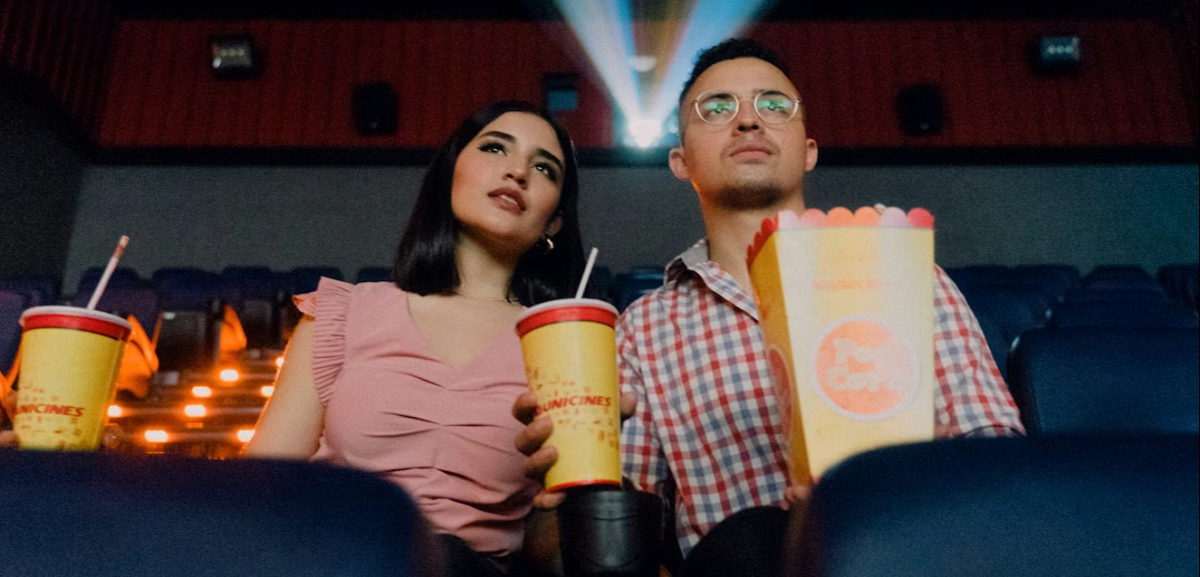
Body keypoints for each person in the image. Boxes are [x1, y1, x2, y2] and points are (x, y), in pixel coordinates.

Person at [514, 39, 1023, 576]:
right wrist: (571, 480)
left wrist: (894, 483)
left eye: (774, 105)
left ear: (808, 150)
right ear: (680, 161)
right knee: (757, 537)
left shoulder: (907, 275)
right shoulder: (645, 328)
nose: (749, 121)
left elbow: (999, 460)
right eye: (717, 108)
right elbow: (628, 537)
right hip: (741, 561)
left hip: (909, 548)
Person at [247, 100, 585, 577]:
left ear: (554, 222)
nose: (517, 172)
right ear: (450, 173)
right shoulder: (343, 314)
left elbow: (554, 552)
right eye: (495, 148)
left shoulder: (565, 346)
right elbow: (262, 490)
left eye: (544, 168)